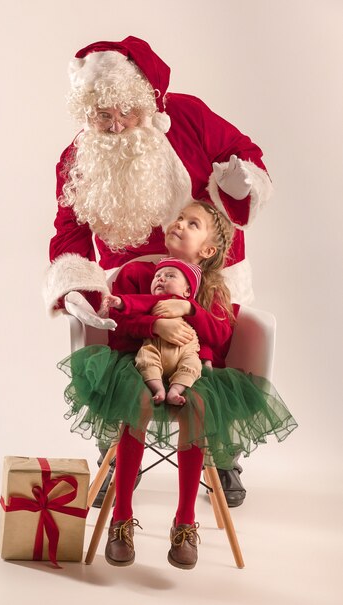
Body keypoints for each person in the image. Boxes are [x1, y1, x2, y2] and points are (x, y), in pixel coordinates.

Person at [45, 35, 275, 507]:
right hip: (130, 284)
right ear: (86, 113)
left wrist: (239, 180)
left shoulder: (187, 117)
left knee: (213, 357)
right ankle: (113, 448)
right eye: (101, 115)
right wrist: (78, 285)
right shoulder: (77, 160)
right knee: (124, 362)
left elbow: (244, 155)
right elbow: (68, 232)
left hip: (209, 272)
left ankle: (222, 456)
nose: (115, 125)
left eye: (124, 112)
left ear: (145, 101)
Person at [57, 201, 297, 569]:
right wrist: (154, 325)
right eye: (179, 218)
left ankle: (185, 522)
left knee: (197, 408)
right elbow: (116, 325)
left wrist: (190, 311)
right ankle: (121, 519)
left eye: (193, 223)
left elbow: (223, 333)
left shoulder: (214, 289)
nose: (180, 224)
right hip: (137, 365)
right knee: (135, 404)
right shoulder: (136, 272)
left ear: (208, 249)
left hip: (195, 371)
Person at [101, 257, 207, 406]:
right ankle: (158, 389)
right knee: (146, 358)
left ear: (187, 291)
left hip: (184, 350)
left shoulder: (191, 306)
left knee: (193, 364)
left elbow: (208, 327)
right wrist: (121, 302)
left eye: (170, 276)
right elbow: (137, 302)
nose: (161, 278)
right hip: (156, 346)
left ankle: (175, 390)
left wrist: (208, 356)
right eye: (157, 276)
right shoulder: (155, 300)